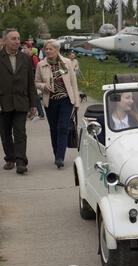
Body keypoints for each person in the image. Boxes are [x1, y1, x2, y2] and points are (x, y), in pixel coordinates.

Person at [35, 39, 80, 169]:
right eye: (46, 49)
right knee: (54, 129)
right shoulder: (40, 65)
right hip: (50, 101)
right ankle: (57, 154)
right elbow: (36, 82)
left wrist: (76, 102)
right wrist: (44, 86)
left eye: (51, 49)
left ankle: (60, 157)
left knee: (63, 127)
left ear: (57, 50)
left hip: (66, 100)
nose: (48, 51)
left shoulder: (67, 63)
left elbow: (73, 83)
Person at [0, 28, 37, 174]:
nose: (17, 41)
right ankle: (10, 158)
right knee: (5, 132)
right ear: (4, 40)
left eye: (18, 38)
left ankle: (21, 161)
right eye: (13, 38)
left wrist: (33, 104)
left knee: (20, 132)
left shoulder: (25, 58)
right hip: (3, 102)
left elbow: (31, 83)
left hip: (21, 101)